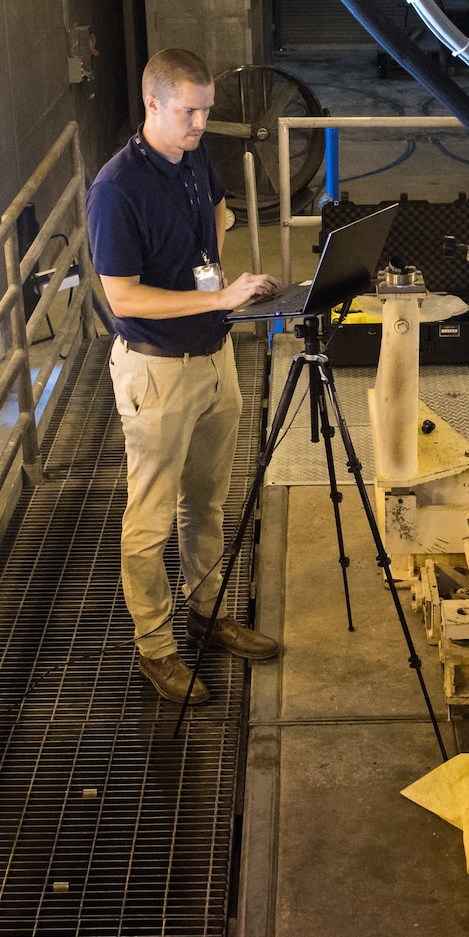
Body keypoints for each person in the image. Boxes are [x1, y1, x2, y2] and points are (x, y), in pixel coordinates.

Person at [88, 47, 283, 705]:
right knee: (147, 525)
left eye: (206, 111)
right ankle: (156, 649)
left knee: (207, 502)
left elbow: (217, 218)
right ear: (153, 103)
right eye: (189, 111)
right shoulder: (115, 190)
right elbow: (124, 299)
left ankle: (207, 612)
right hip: (156, 372)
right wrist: (218, 298)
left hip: (213, 359)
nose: (201, 123)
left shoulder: (196, 154)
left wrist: (216, 282)